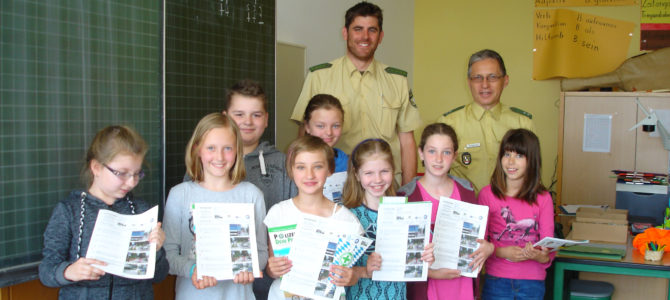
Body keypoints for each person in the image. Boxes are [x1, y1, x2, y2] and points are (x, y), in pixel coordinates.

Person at [291, 1, 422, 186]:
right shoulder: (319, 77)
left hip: (385, 183)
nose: (365, 36)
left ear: (381, 36)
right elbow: (305, 137)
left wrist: (409, 190)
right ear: (345, 33)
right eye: (358, 29)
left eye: (372, 30)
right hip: (336, 180)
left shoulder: (397, 80)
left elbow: (407, 142)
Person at [39, 125, 169, 299]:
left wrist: (156, 251)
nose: (131, 183)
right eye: (122, 173)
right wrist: (69, 271)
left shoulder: (141, 211)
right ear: (96, 168)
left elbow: (160, 276)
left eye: (137, 173)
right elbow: (47, 270)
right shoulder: (69, 211)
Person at [163, 113, 268, 300]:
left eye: (227, 148)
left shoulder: (252, 195)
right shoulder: (180, 194)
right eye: (211, 148)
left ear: (237, 150)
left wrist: (249, 268)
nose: (219, 157)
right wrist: (192, 269)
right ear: (197, 149)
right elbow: (168, 255)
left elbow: (261, 253)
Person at [397, 123, 494, 300]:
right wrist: (432, 273)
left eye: (446, 152)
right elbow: (397, 253)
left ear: (455, 156)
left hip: (461, 283)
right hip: (425, 287)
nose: (439, 159)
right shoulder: (406, 196)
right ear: (421, 153)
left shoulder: (467, 191)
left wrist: (487, 248)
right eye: (432, 151)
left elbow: (479, 240)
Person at [264, 135, 364, 300]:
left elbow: (352, 273)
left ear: (330, 170)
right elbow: (272, 267)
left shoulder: (347, 221)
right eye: (301, 167)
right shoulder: (278, 213)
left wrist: (351, 277)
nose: (309, 175)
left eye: (317, 167)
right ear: (291, 170)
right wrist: (272, 269)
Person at [343, 139, 434, 300]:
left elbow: (417, 260)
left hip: (397, 294)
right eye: (369, 173)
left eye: (384, 171)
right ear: (357, 174)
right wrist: (364, 269)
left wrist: (426, 257)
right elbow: (339, 269)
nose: (377, 180)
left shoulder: (409, 212)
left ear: (393, 170)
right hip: (360, 295)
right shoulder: (347, 216)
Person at [437, 49, 534, 193]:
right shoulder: (449, 123)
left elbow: (532, 176)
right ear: (469, 82)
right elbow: (437, 178)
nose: (485, 85)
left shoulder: (522, 123)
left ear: (505, 80)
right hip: (466, 210)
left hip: (509, 211)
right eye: (477, 78)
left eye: (492, 77)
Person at [478, 129, 554, 299]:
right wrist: (502, 252)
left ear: (531, 160)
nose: (511, 162)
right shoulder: (487, 195)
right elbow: (480, 243)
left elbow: (548, 250)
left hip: (532, 282)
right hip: (496, 279)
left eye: (519, 156)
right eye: (507, 154)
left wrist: (538, 255)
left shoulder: (543, 198)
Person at [223, 79, 298, 211]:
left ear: (266, 119)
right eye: (239, 114)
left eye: (256, 115)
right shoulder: (207, 162)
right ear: (225, 118)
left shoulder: (284, 163)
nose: (248, 122)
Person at [303, 94, 348, 172]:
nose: (329, 132)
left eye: (335, 126)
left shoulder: (344, 161)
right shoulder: (296, 161)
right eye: (320, 126)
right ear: (307, 127)